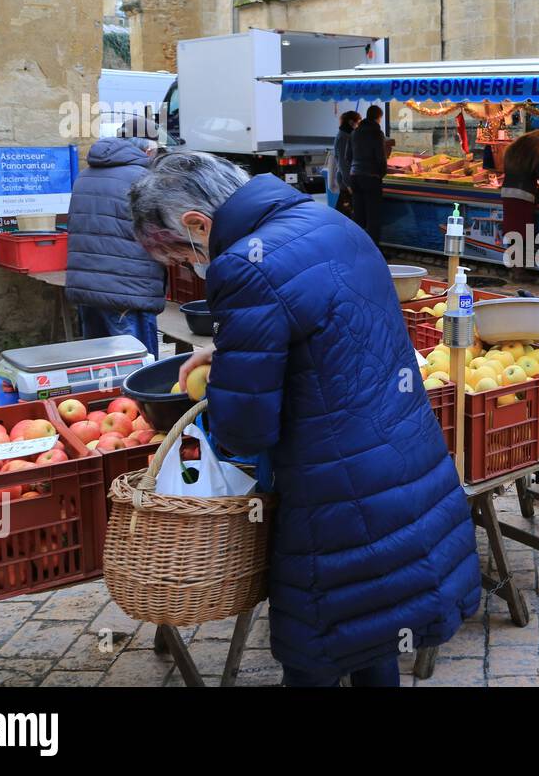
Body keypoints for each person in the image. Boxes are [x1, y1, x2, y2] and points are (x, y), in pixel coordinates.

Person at [129, 152, 480, 687]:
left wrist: (222, 395)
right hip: (401, 455)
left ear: (198, 224)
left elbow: (247, 428)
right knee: (374, 620)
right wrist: (233, 355)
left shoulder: (243, 263)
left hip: (335, 485)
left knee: (315, 640)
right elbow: (326, 335)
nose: (189, 269)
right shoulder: (330, 222)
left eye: (181, 257)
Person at [65, 134, 165, 357]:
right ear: (147, 153)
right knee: (138, 366)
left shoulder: (84, 176)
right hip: (128, 288)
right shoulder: (142, 178)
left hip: (86, 285)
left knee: (99, 361)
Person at [500, 129, 539, 275]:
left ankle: (513, 267)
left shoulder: (512, 150)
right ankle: (519, 272)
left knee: (512, 230)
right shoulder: (536, 154)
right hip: (524, 196)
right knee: (523, 234)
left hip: (507, 194)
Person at [349, 104, 392, 246]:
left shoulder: (355, 132)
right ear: (379, 117)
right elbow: (380, 157)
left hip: (355, 176)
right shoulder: (376, 133)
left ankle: (357, 246)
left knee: (359, 214)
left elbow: (347, 156)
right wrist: (381, 174)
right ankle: (374, 251)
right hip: (370, 177)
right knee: (373, 217)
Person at [329, 108, 361, 217]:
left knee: (345, 212)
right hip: (345, 180)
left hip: (345, 178)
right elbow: (343, 163)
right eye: (358, 122)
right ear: (351, 122)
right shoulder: (344, 137)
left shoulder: (346, 135)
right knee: (346, 213)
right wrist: (349, 185)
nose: (358, 126)